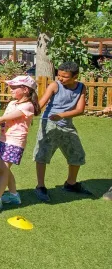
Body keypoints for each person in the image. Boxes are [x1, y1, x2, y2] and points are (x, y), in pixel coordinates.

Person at [0, 75, 39, 213]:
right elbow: (2, 121)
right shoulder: (12, 103)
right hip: (3, 140)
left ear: (25, 90)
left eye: (13, 87)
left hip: (15, 142)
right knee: (5, 169)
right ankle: (13, 196)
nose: (10, 89)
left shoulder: (27, 106)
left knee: (2, 170)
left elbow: (5, 118)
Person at [33, 61, 90, 201]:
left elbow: (80, 110)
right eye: (59, 75)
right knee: (43, 154)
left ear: (75, 76)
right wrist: (32, 110)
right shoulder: (54, 85)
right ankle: (40, 186)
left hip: (66, 124)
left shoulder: (81, 87)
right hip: (49, 123)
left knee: (77, 154)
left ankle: (71, 183)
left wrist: (62, 116)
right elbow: (41, 104)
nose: (60, 78)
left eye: (64, 76)